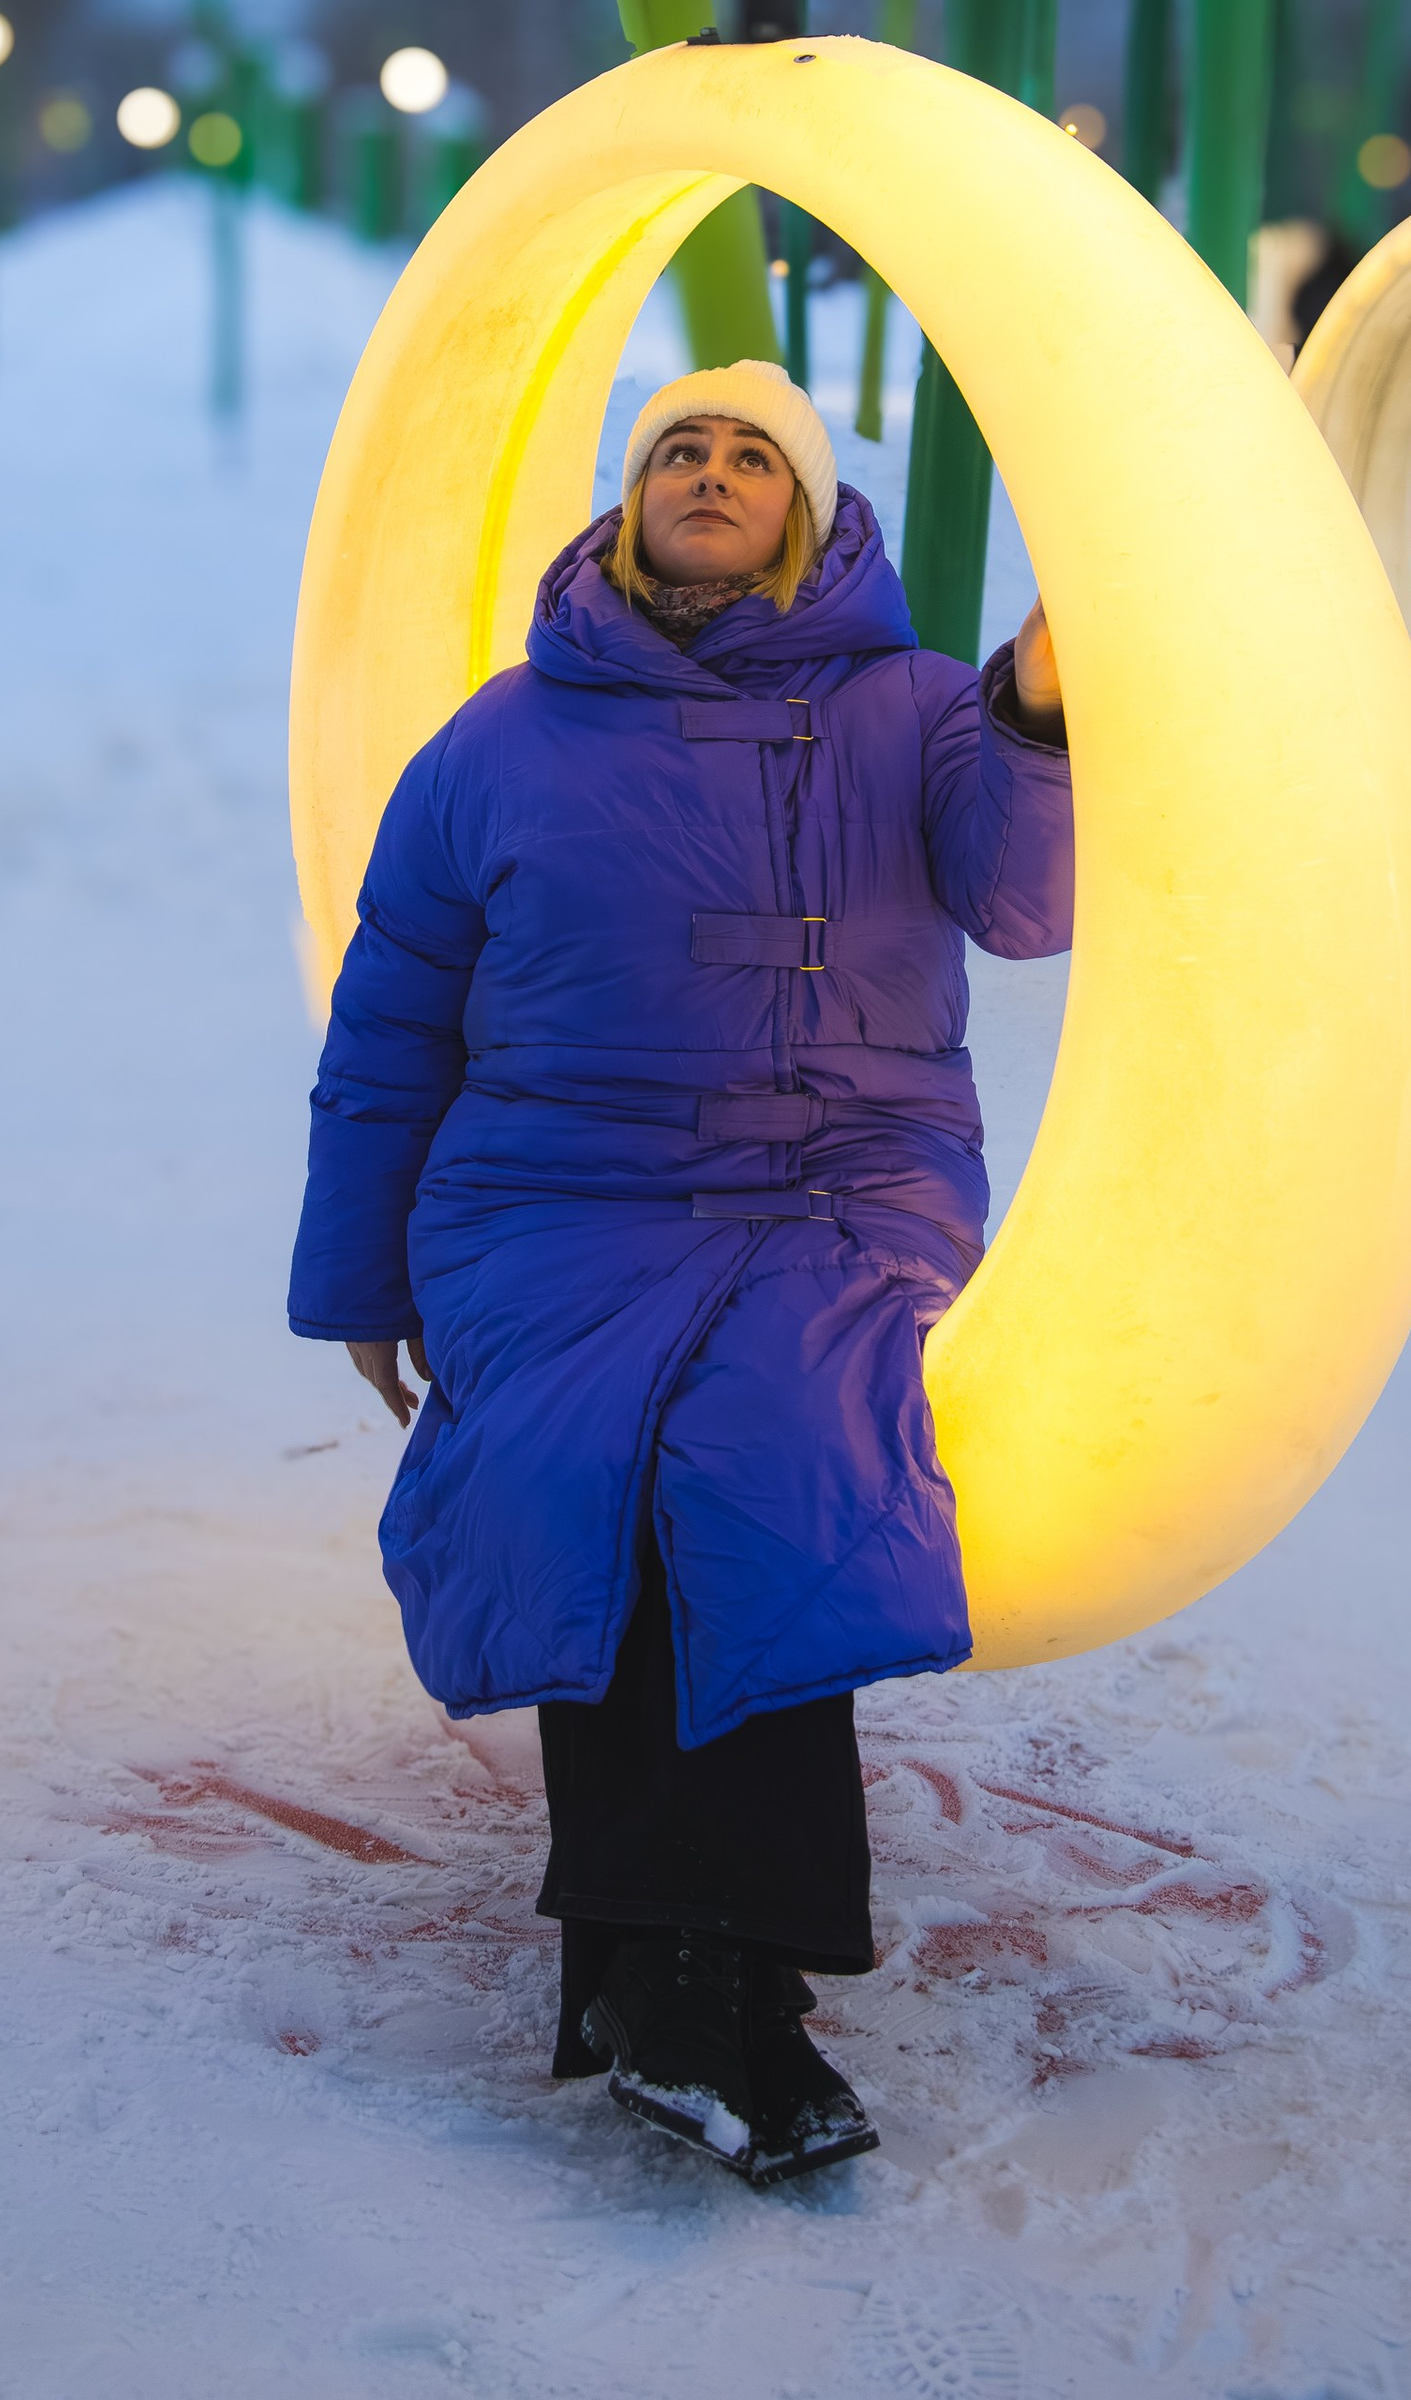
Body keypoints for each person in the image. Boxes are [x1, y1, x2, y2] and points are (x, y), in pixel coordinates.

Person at [289, 360, 1074, 2186]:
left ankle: (692, 1984)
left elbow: (1027, 906)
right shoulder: (501, 736)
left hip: (833, 1183)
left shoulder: (910, 708)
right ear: (628, 500)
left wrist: (1039, 703)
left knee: (775, 1457)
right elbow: (393, 1016)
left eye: (749, 458)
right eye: (677, 451)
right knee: (589, 1468)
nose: (710, 474)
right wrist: (361, 1277)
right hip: (553, 1194)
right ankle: (700, 1993)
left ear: (804, 512)